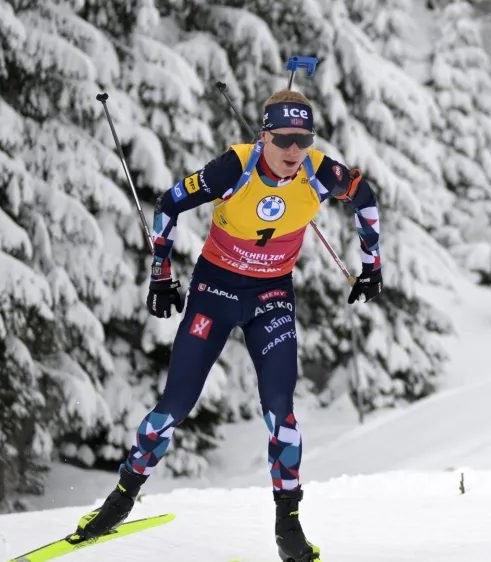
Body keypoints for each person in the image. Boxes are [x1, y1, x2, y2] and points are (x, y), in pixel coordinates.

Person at [74, 89, 383, 562]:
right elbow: (168, 204)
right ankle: (121, 498)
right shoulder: (235, 167)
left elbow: (366, 199)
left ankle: (288, 526)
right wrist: (160, 275)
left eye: (303, 139)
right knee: (175, 403)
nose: (293, 152)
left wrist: (372, 266)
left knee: (281, 409)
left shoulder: (319, 171)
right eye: (283, 139)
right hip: (214, 292)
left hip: (272, 297)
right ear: (265, 136)